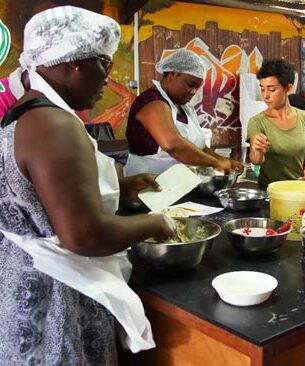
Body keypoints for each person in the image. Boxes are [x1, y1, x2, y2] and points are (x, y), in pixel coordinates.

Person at [0, 6, 177, 364]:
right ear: (75, 62)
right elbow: (84, 236)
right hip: (57, 295)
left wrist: (124, 190)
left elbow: (38, 197)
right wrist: (158, 223)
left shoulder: (25, 111)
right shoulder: (55, 125)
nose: (108, 79)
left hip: (22, 279)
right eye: (105, 64)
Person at [125, 49, 244, 176]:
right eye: (190, 84)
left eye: (197, 88)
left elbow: (199, 148)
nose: (193, 92)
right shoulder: (151, 102)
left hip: (179, 185)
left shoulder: (185, 108)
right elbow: (173, 145)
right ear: (172, 75)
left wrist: (223, 160)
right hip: (149, 186)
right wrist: (215, 163)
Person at [247, 58, 305, 188]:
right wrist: (258, 150)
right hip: (270, 193)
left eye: (272, 89)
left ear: (288, 88)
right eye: (262, 89)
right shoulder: (257, 122)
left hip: (300, 189)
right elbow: (256, 160)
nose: (266, 95)